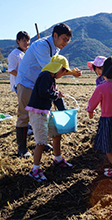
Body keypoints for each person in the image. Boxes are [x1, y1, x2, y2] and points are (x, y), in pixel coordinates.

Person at [15, 23, 81, 157]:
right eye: (64, 39)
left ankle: (42, 142)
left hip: (41, 83)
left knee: (43, 113)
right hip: (27, 82)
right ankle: (22, 148)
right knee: (24, 114)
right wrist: (71, 73)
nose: (66, 43)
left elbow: (54, 71)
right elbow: (51, 69)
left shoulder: (56, 48)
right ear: (55, 35)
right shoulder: (42, 45)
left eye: (68, 40)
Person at [27, 55, 73, 182]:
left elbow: (54, 96)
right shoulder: (46, 76)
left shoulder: (52, 78)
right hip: (38, 113)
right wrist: (56, 94)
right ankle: (35, 169)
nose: (63, 74)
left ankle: (58, 159)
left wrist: (64, 111)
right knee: (41, 142)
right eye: (64, 71)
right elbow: (43, 92)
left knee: (56, 134)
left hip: (46, 112)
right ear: (59, 68)